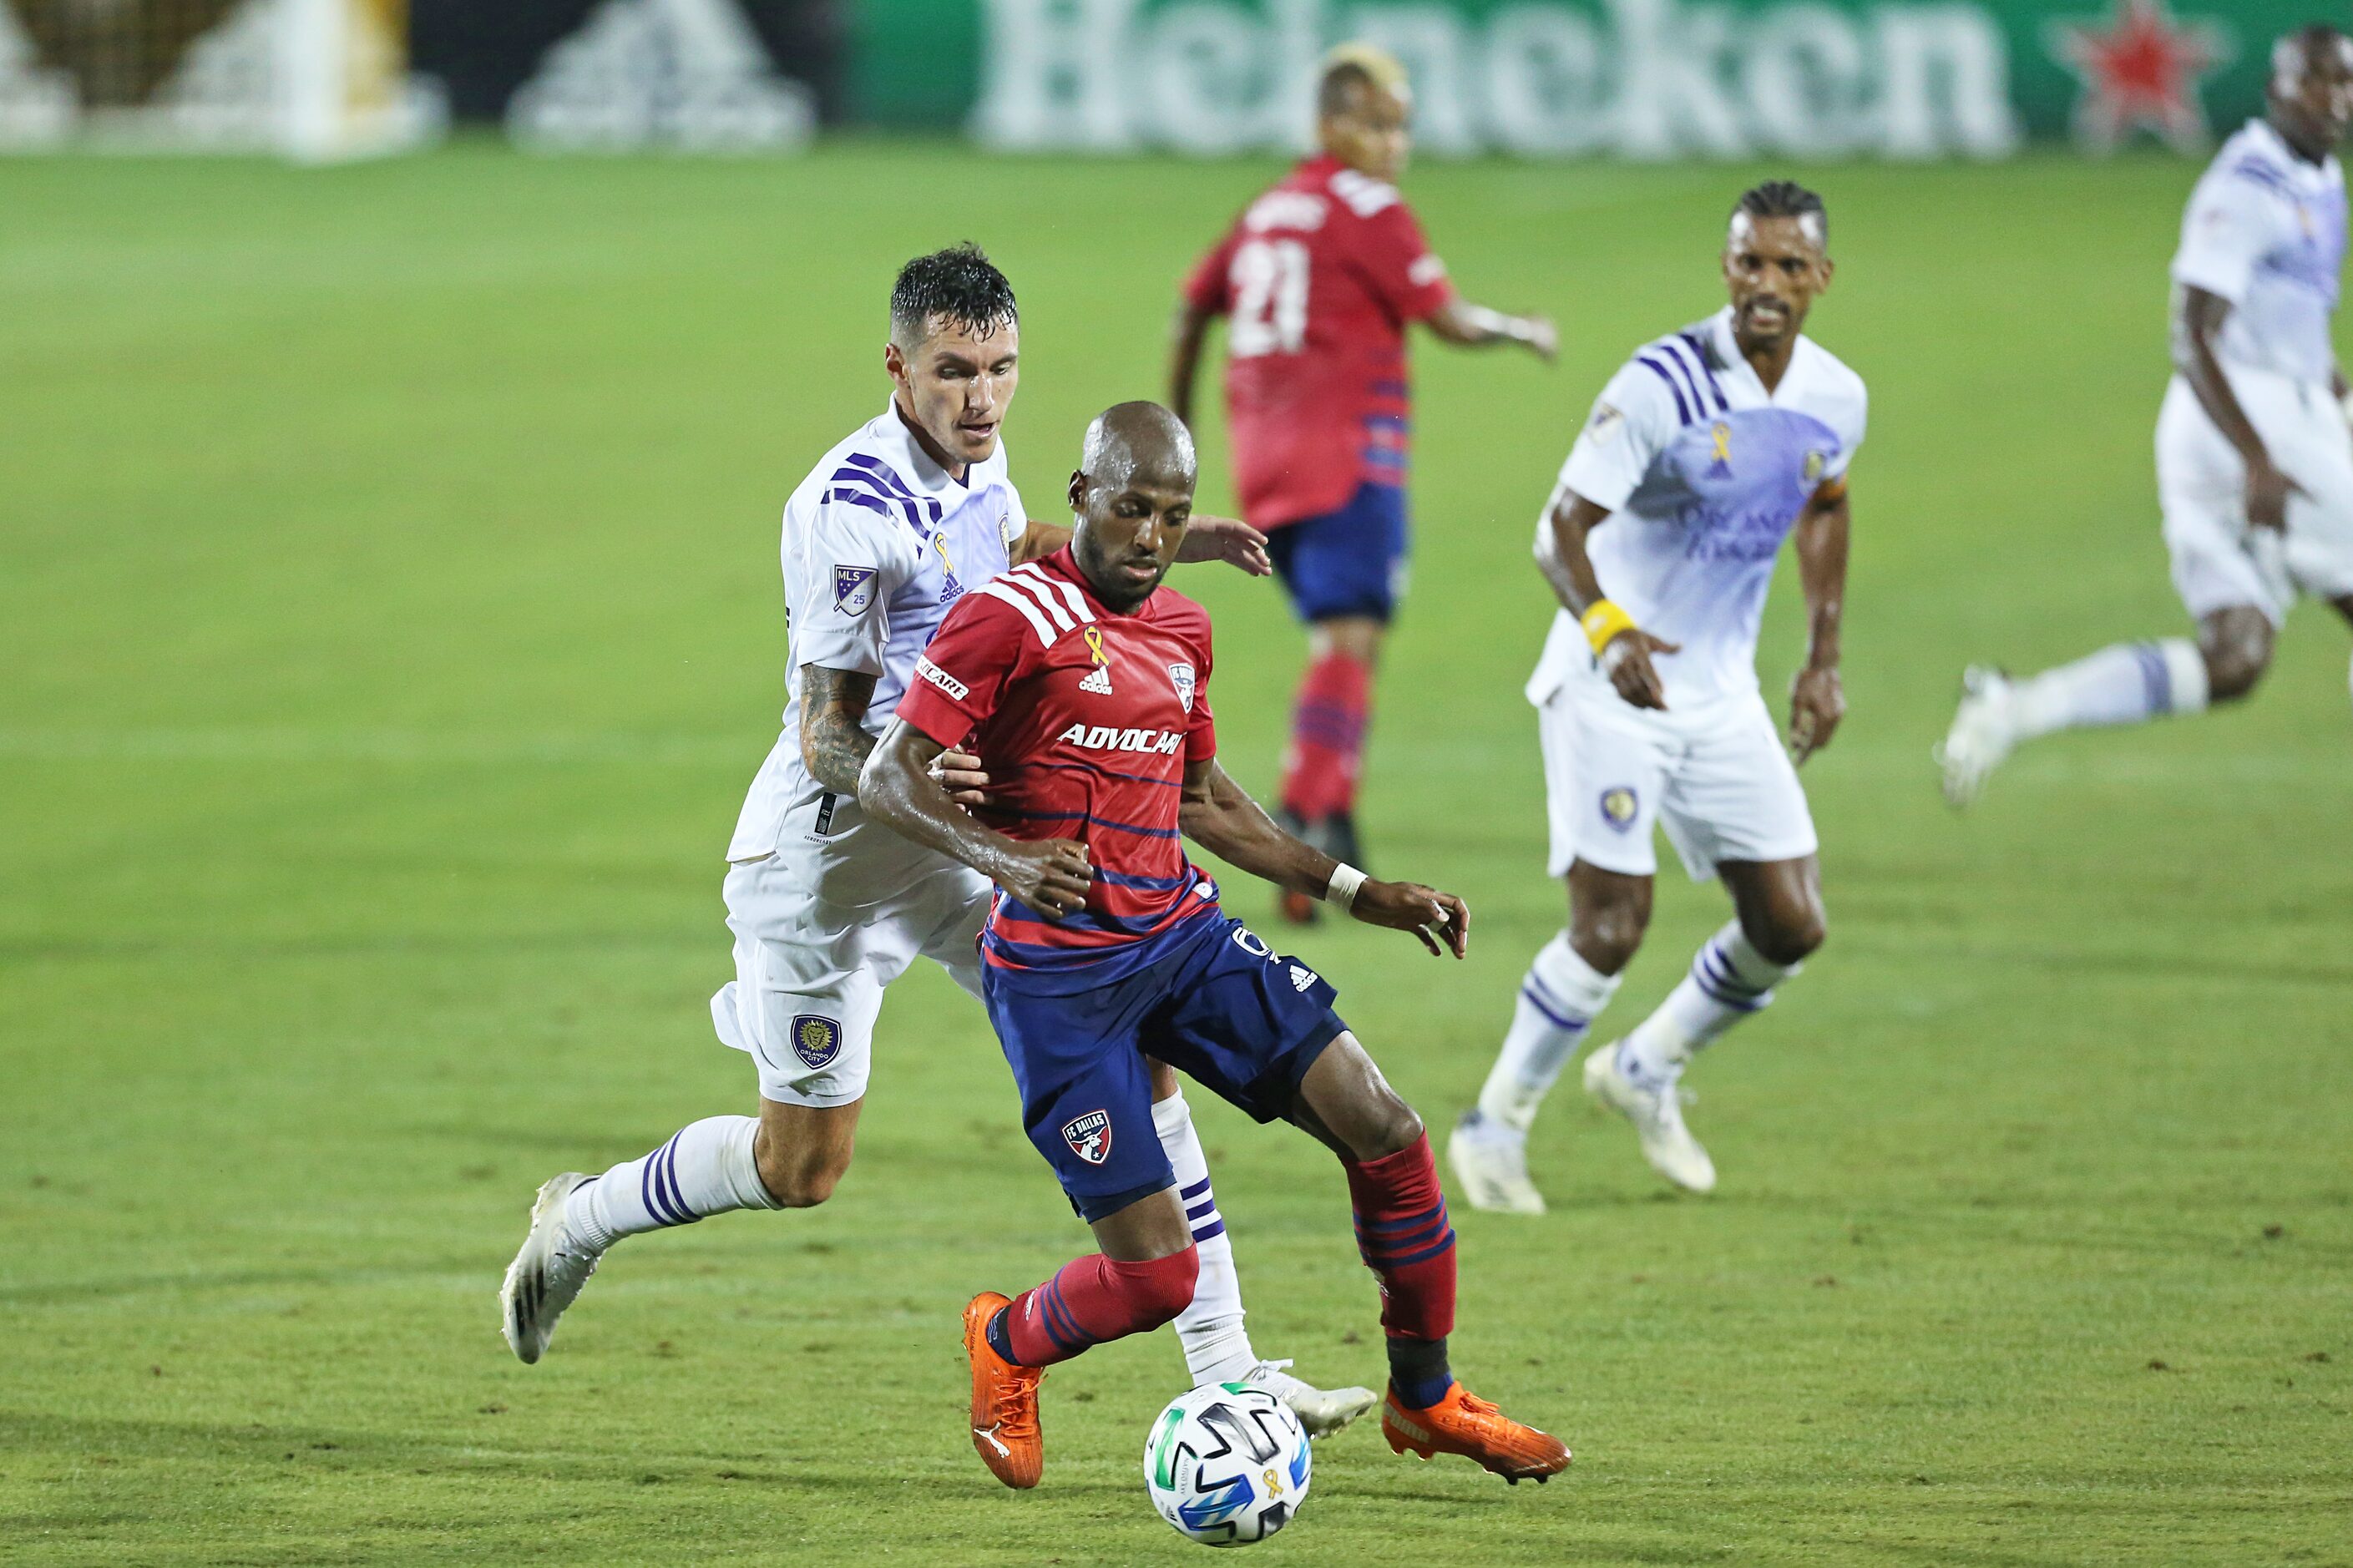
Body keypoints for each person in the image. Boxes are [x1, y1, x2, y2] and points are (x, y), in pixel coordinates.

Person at [498, 245, 1376, 1436]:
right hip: (826, 865)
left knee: (1139, 1035)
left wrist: (1168, 536)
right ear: (898, 366)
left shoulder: (984, 462)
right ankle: (583, 1216)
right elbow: (822, 736)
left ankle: (1228, 1373)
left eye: (1002, 369)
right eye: (954, 371)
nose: (982, 398)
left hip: (957, 843)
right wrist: (976, 825)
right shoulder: (848, 509)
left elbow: (1005, 565)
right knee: (797, 1168)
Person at [859, 401, 1573, 1491]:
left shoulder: (1185, 630)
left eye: (1172, 514)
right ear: (1081, 495)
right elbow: (888, 773)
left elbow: (1205, 800)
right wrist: (999, 859)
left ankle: (1424, 1395)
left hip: (1181, 937)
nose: (1149, 535)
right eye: (1132, 508)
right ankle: (1005, 1340)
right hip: (1058, 983)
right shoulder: (1004, 618)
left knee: (1385, 1128)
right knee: (1151, 1280)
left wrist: (1353, 886)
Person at [1448, 183, 1867, 1212]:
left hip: (1719, 693)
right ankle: (1493, 1124)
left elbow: (1825, 501)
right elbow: (1558, 529)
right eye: (1746, 263)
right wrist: (1606, 625)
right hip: (1610, 684)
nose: (1763, 285)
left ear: (1819, 278)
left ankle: (1645, 1067)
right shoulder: (1661, 383)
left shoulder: (1836, 395)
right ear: (1726, 269)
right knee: (1610, 924)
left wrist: (1821, 654)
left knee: (1790, 921)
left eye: (1785, 267)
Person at [1170, 43, 1556, 923]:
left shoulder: (1267, 209)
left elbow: (1194, 305)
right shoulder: (1370, 208)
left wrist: (1180, 426)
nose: (1393, 145)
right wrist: (1517, 329)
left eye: (1400, 128)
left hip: (1263, 464)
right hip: (1348, 456)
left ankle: (1334, 806)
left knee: (1341, 640)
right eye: (1377, 126)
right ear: (1329, 125)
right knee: (1349, 641)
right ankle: (1308, 820)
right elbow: (1448, 320)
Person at [1940, 27, 2353, 806]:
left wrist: (2343, 406)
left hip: (2252, 420)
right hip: (2246, 420)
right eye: (2316, 82)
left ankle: (2015, 707)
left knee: (2235, 659)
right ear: (2276, 90)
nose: (2333, 100)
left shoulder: (2318, 177)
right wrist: (2258, 457)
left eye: (2345, 84)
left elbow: (2299, 326)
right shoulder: (2248, 186)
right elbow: (2192, 331)